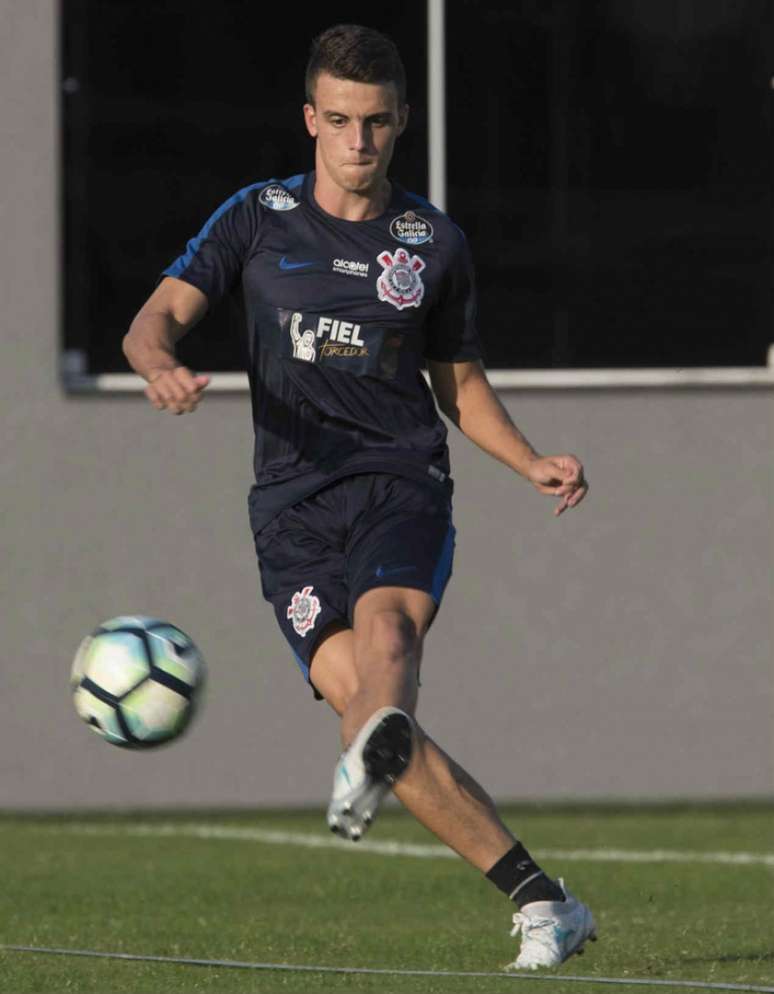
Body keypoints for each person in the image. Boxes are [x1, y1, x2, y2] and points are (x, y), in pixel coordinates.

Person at [122, 23, 596, 971]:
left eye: (377, 122)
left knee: (390, 642)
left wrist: (529, 458)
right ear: (310, 119)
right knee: (370, 711)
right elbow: (156, 317)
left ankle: (369, 754)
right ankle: (546, 902)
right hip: (289, 511)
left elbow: (457, 382)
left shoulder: (432, 241)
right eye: (339, 120)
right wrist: (157, 363)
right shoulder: (255, 219)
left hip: (398, 481)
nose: (358, 141)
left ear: (402, 121)